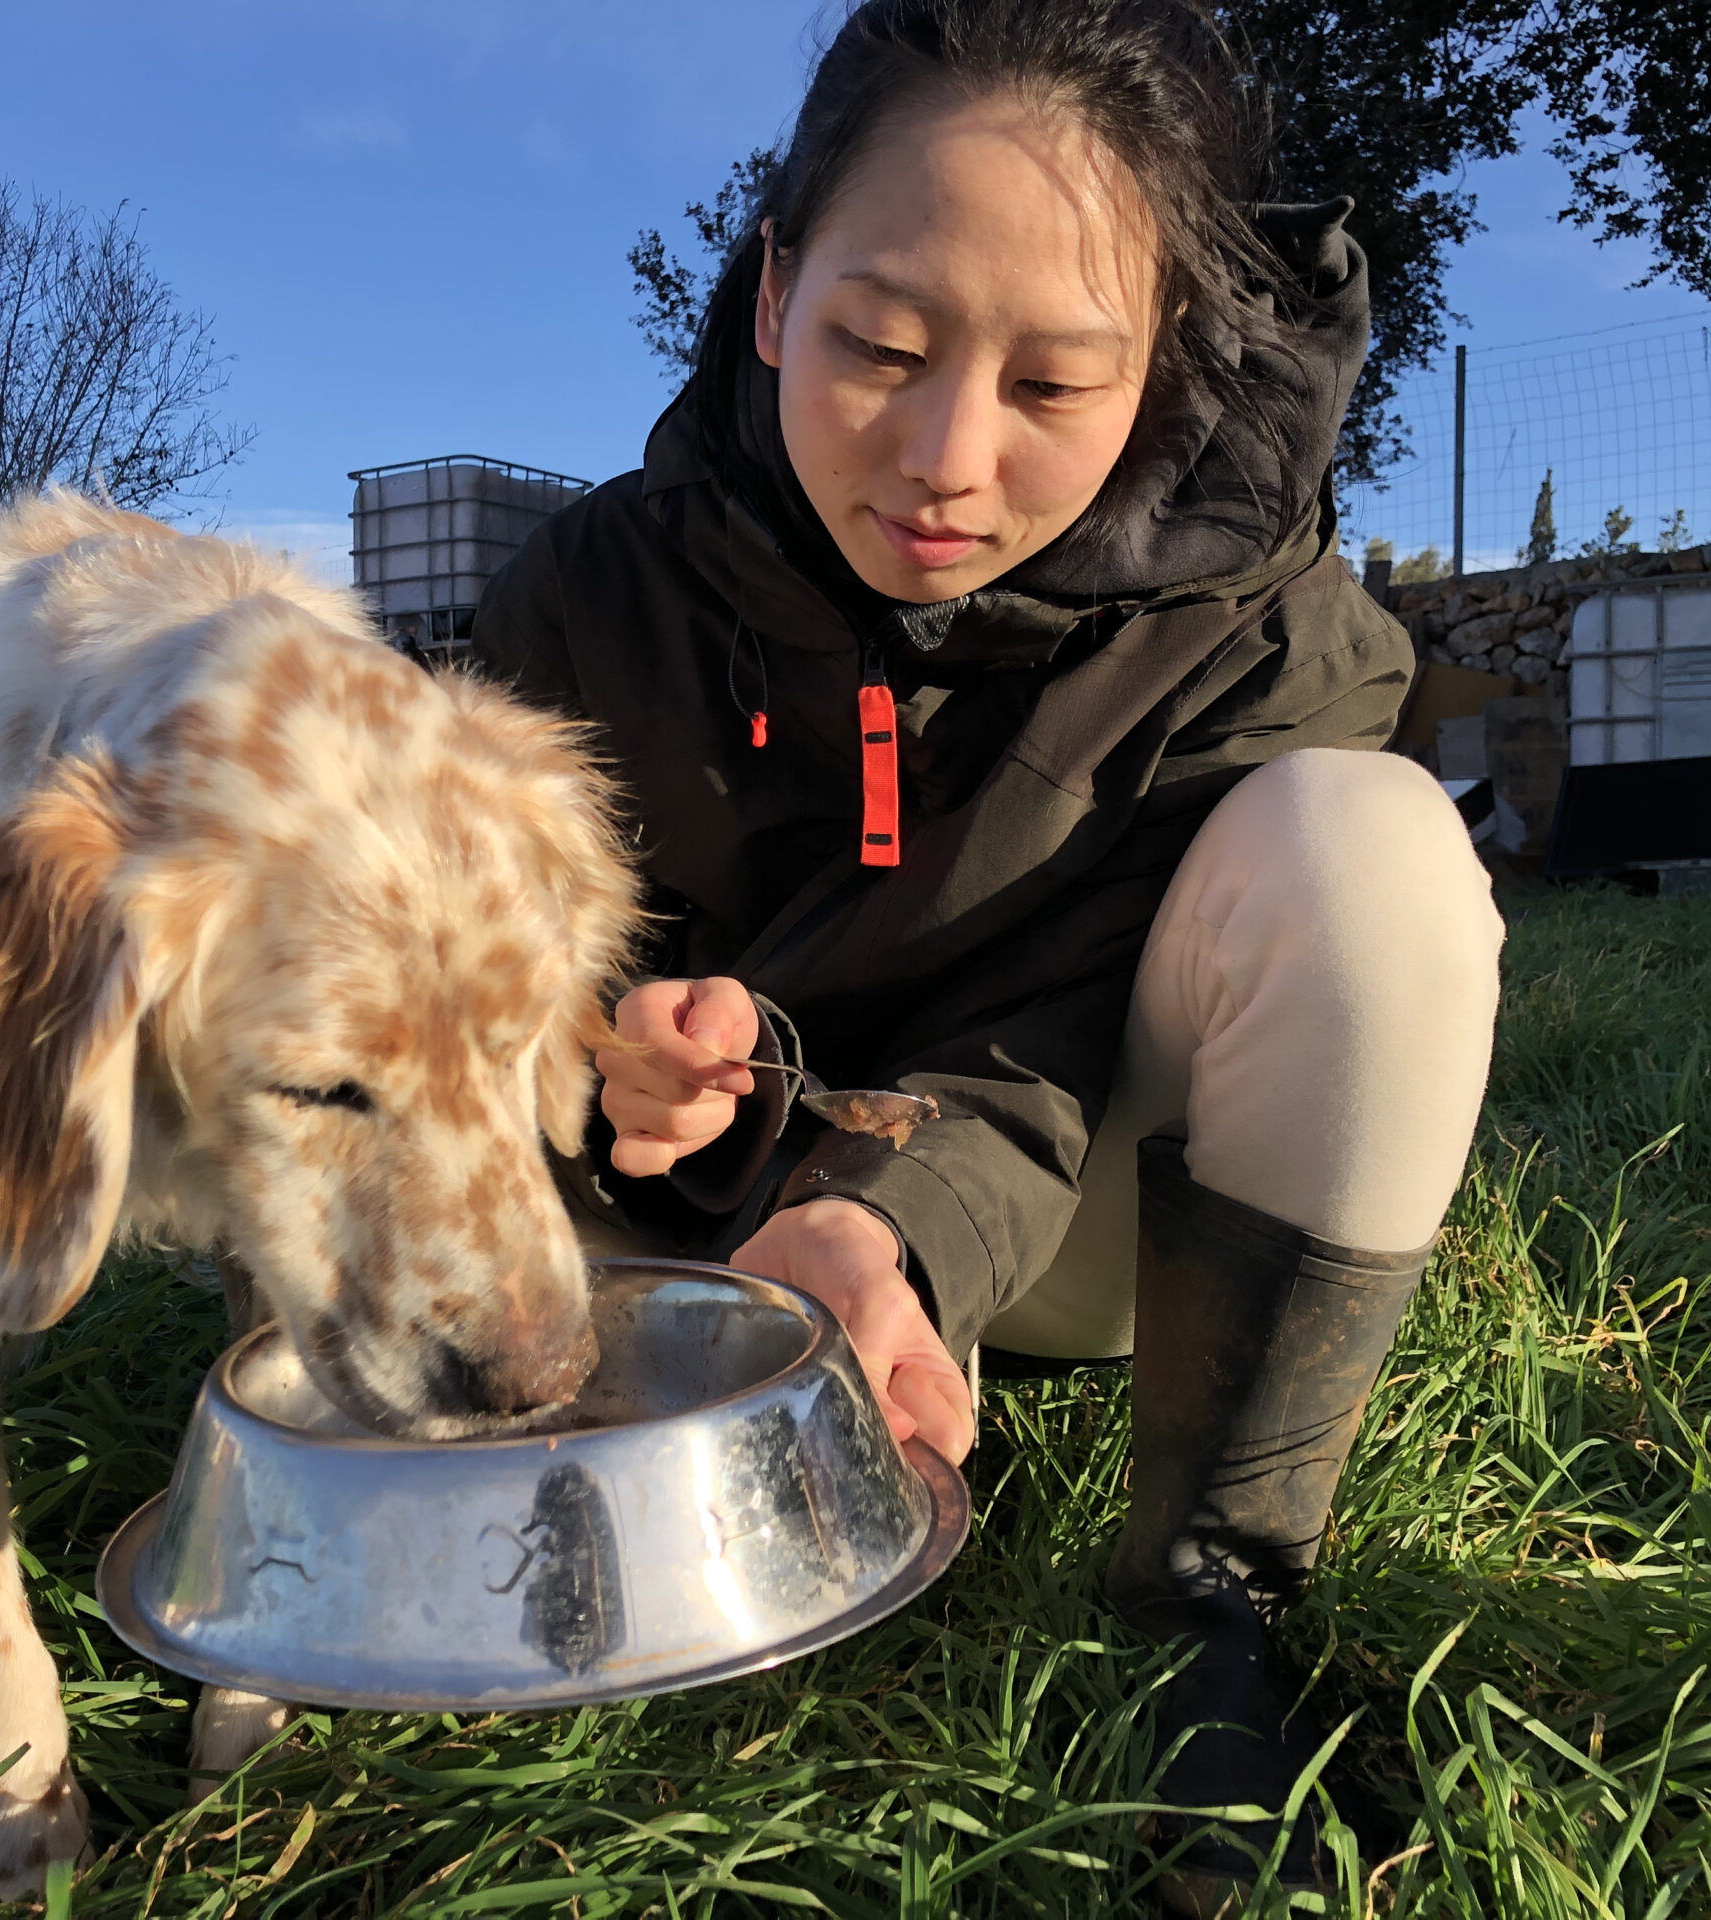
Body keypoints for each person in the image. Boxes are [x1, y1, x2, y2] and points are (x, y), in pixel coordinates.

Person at [471, 0, 1504, 1910]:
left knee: (1370, 855)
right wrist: (580, 1045)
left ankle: (1216, 1599)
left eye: (1054, 387)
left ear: (1164, 368)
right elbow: (448, 977)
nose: (946, 460)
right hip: (666, 1246)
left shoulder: (1268, 643)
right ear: (775, 294)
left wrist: (887, 1213)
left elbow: (1068, 1021)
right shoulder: (577, 602)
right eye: (880, 345)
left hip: (1071, 1243)